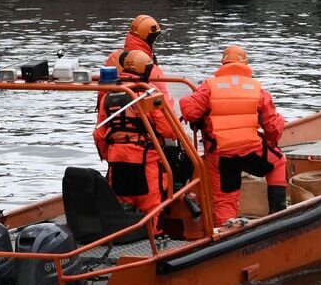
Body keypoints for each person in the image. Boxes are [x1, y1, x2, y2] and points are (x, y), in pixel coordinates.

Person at [179, 45, 287, 226]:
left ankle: (226, 233)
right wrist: (272, 141)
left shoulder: (209, 87)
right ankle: (277, 215)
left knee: (224, 199)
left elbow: (190, 112)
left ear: (223, 63)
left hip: (220, 153)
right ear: (245, 63)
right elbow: (273, 127)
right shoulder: (257, 89)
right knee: (278, 161)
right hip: (250, 149)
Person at [93, 49, 176, 221]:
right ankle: (154, 240)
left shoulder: (108, 95)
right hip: (145, 159)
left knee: (123, 207)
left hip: (117, 161)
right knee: (152, 207)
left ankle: (124, 238)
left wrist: (109, 155)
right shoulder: (147, 94)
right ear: (146, 70)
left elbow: (99, 134)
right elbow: (169, 130)